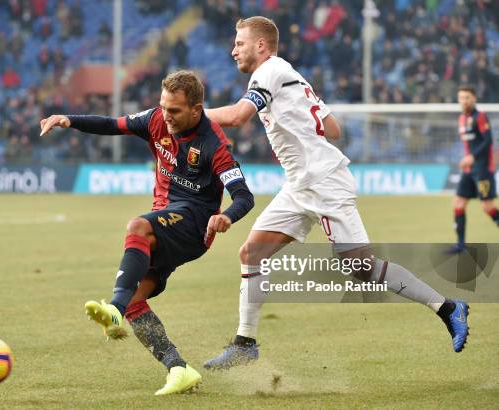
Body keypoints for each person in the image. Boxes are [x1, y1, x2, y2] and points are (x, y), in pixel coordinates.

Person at [202, 16, 470, 371]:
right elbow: (333, 128)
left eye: (239, 42)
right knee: (252, 252)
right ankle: (245, 342)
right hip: (300, 184)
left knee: (360, 266)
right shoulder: (288, 75)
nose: (233, 49)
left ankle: (448, 307)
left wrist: (193, 116)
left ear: (261, 45)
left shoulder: (268, 72)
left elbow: (238, 117)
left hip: (324, 182)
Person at [39, 70, 254, 394]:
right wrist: (68, 119)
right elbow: (113, 125)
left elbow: (244, 196)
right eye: (163, 107)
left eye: (175, 111)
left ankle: (114, 308)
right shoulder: (155, 119)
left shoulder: (213, 144)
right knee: (138, 300)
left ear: (196, 110)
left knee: (137, 227)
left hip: (195, 225)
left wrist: (226, 217)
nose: (166, 116)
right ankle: (178, 368)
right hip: (166, 217)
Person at [449, 85, 498, 253]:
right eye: (461, 98)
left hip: (483, 169)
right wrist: (467, 159)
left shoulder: (481, 116)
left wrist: (472, 157)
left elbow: (488, 141)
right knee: (459, 203)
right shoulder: (461, 118)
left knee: (487, 207)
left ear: (474, 98)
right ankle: (460, 245)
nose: (464, 101)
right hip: (469, 170)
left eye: (467, 97)